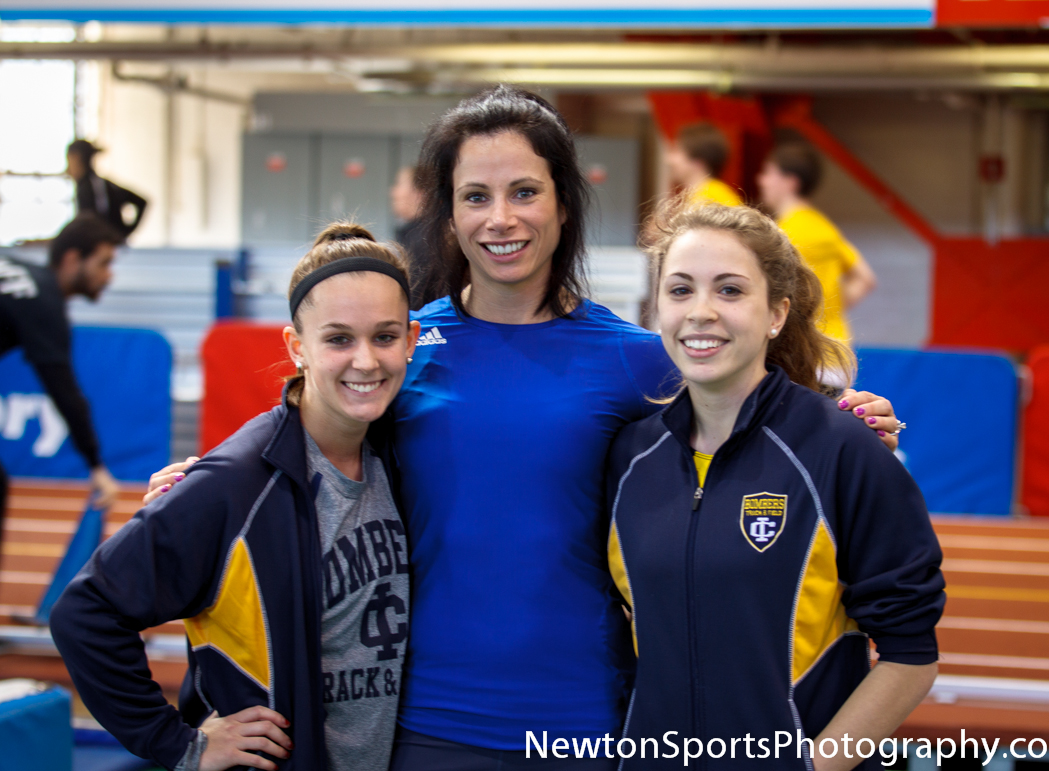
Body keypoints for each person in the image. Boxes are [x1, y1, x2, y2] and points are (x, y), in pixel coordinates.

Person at [144, 86, 901, 770]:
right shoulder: (402, 346)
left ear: (563, 204)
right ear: (449, 211)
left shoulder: (635, 360)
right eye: (475, 195)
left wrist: (847, 423)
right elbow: (307, 429)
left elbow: (753, 409)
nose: (500, 218)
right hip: (423, 724)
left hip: (587, 724)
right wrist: (207, 483)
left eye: (524, 192)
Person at [50, 224, 421, 771]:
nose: (365, 361)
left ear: (411, 340)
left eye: (384, 337)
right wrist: (180, 744)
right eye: (339, 339)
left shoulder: (399, 456)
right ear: (298, 347)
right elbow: (85, 613)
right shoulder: (236, 482)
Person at [607, 201, 942, 769]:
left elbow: (911, 657)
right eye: (681, 290)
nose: (701, 312)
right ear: (656, 307)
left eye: (731, 291)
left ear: (776, 314)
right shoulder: (629, 457)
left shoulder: (843, 450)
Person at [0, 214, 122, 536]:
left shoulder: (24, 276)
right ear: (72, 259)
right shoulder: (43, 300)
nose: (109, 276)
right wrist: (96, 467)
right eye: (104, 263)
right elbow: (64, 391)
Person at [757, 142, 877, 344]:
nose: (761, 180)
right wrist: (828, 310)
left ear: (790, 182)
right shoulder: (825, 228)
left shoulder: (781, 234)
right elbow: (866, 279)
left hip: (806, 350)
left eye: (768, 173)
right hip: (837, 348)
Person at [66, 139, 148, 241]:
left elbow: (140, 202)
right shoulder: (88, 185)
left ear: (76, 158)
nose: (68, 169)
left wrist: (123, 233)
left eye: (69, 160)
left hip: (103, 248)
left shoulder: (95, 187)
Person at [666, 122, 743, 208]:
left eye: (676, 151)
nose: (669, 159)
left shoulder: (715, 198)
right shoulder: (702, 195)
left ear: (698, 162)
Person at [389, 165, 432, 310]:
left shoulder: (425, 242)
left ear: (420, 194)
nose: (393, 192)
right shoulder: (412, 236)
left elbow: (414, 299)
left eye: (399, 185)